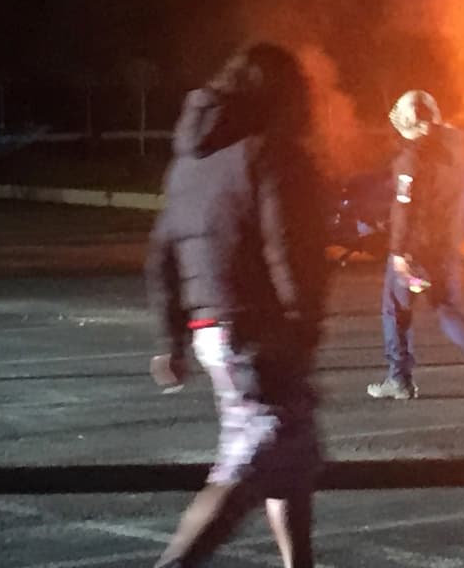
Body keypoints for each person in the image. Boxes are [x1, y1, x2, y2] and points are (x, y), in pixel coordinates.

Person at [146, 43, 329, 568]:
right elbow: (290, 248)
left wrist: (172, 340)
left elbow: (161, 255)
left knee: (290, 458)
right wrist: (302, 329)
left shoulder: (189, 163)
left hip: (213, 331)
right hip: (258, 335)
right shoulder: (269, 153)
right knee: (253, 455)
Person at [367, 90, 464, 401]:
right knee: (445, 308)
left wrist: (399, 255)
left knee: (394, 309)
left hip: (416, 249)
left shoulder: (411, 160)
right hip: (446, 245)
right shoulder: (454, 146)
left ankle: (399, 379)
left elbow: (404, 209)